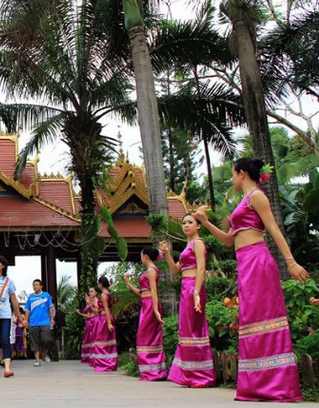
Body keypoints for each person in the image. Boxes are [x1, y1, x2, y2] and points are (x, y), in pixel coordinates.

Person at [194, 157, 307, 402]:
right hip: (245, 262)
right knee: (251, 320)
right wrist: (204, 222)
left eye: (233, 174)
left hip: (257, 260)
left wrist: (291, 262)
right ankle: (258, 384)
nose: (232, 179)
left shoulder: (256, 196)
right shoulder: (244, 201)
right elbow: (228, 240)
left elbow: (274, 229)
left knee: (266, 319)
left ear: (242, 173)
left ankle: (277, 385)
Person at [161, 214, 215, 388]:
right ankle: (190, 373)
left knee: (195, 328)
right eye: (183, 222)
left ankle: (201, 375)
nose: (186, 225)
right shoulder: (187, 245)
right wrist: (167, 253)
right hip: (186, 287)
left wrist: (197, 291)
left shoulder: (198, 243)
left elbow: (201, 268)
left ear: (198, 226)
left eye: (190, 222)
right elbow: (176, 270)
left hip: (193, 287)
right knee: (186, 329)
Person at [124, 247, 167, 382]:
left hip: (150, 305)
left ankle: (153, 371)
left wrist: (154, 309)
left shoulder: (151, 270)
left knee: (148, 337)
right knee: (146, 337)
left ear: (146, 256)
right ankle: (149, 370)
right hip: (146, 304)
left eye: (141, 255)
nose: (141, 258)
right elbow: (142, 292)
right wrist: (128, 284)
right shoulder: (149, 270)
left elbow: (153, 291)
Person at [24, 279, 55, 367]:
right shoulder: (30, 297)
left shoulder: (46, 295)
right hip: (33, 323)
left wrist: (52, 318)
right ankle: (37, 360)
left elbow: (50, 307)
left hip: (45, 321)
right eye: (34, 285)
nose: (35, 286)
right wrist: (26, 320)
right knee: (35, 342)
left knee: (46, 339)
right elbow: (27, 310)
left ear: (41, 286)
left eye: (37, 285)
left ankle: (45, 354)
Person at [91, 276, 117, 372]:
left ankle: (104, 364)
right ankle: (109, 362)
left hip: (104, 319)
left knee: (101, 341)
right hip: (107, 317)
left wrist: (109, 323)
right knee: (108, 342)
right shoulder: (108, 293)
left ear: (101, 284)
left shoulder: (103, 295)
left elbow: (106, 308)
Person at [76, 288, 97, 365]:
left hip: (92, 322)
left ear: (96, 293)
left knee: (91, 339)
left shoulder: (95, 301)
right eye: (89, 292)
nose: (90, 293)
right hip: (88, 323)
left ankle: (93, 358)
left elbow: (90, 315)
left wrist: (79, 313)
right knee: (87, 340)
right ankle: (88, 357)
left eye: (92, 291)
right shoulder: (89, 302)